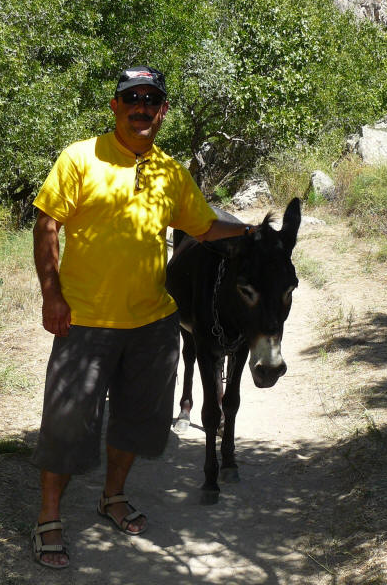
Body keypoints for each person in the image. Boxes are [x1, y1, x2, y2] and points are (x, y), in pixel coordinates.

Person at [30, 66, 254, 569]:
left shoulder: (171, 173)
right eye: (132, 98)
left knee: (137, 423)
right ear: (115, 106)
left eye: (152, 99)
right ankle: (48, 516)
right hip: (85, 322)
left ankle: (112, 496)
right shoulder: (79, 159)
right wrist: (52, 294)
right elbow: (48, 226)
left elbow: (202, 226)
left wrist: (250, 234)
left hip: (153, 324)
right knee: (66, 426)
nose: (142, 107)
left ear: (163, 110)